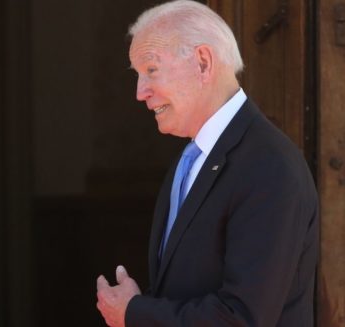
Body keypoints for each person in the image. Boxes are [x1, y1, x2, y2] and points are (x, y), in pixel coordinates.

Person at [96, 1, 319, 326]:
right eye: (138, 75)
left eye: (151, 70)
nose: (140, 92)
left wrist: (135, 313)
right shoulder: (190, 161)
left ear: (202, 62)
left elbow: (241, 318)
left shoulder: (270, 167)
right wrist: (141, 305)